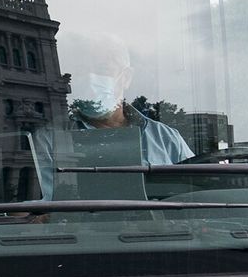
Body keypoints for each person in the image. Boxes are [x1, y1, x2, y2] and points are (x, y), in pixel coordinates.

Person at [33, 35, 192, 200]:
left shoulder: (166, 139)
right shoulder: (48, 141)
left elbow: (198, 194)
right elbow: (33, 212)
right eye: (82, 70)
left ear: (126, 77)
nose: (91, 78)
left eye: (102, 70)